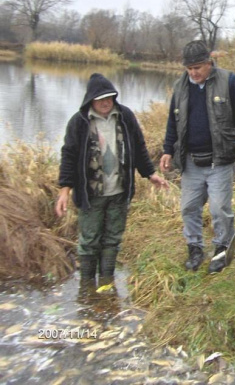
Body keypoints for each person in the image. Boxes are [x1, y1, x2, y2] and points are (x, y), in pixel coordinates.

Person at [56, 73, 168, 285]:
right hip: (91, 195)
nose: (106, 102)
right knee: (89, 241)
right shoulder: (79, 122)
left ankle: (106, 281)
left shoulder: (125, 116)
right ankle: (87, 286)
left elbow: (138, 146)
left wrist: (150, 174)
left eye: (109, 97)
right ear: (91, 100)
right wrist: (65, 190)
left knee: (113, 239)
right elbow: (69, 156)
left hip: (119, 192)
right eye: (100, 99)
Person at [160, 40, 235, 273]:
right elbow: (173, 122)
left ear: (209, 62)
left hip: (219, 160)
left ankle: (222, 249)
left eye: (198, 67)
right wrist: (167, 150)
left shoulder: (228, 80)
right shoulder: (180, 86)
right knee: (189, 208)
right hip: (191, 161)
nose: (194, 72)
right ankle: (195, 249)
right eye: (189, 68)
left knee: (219, 208)